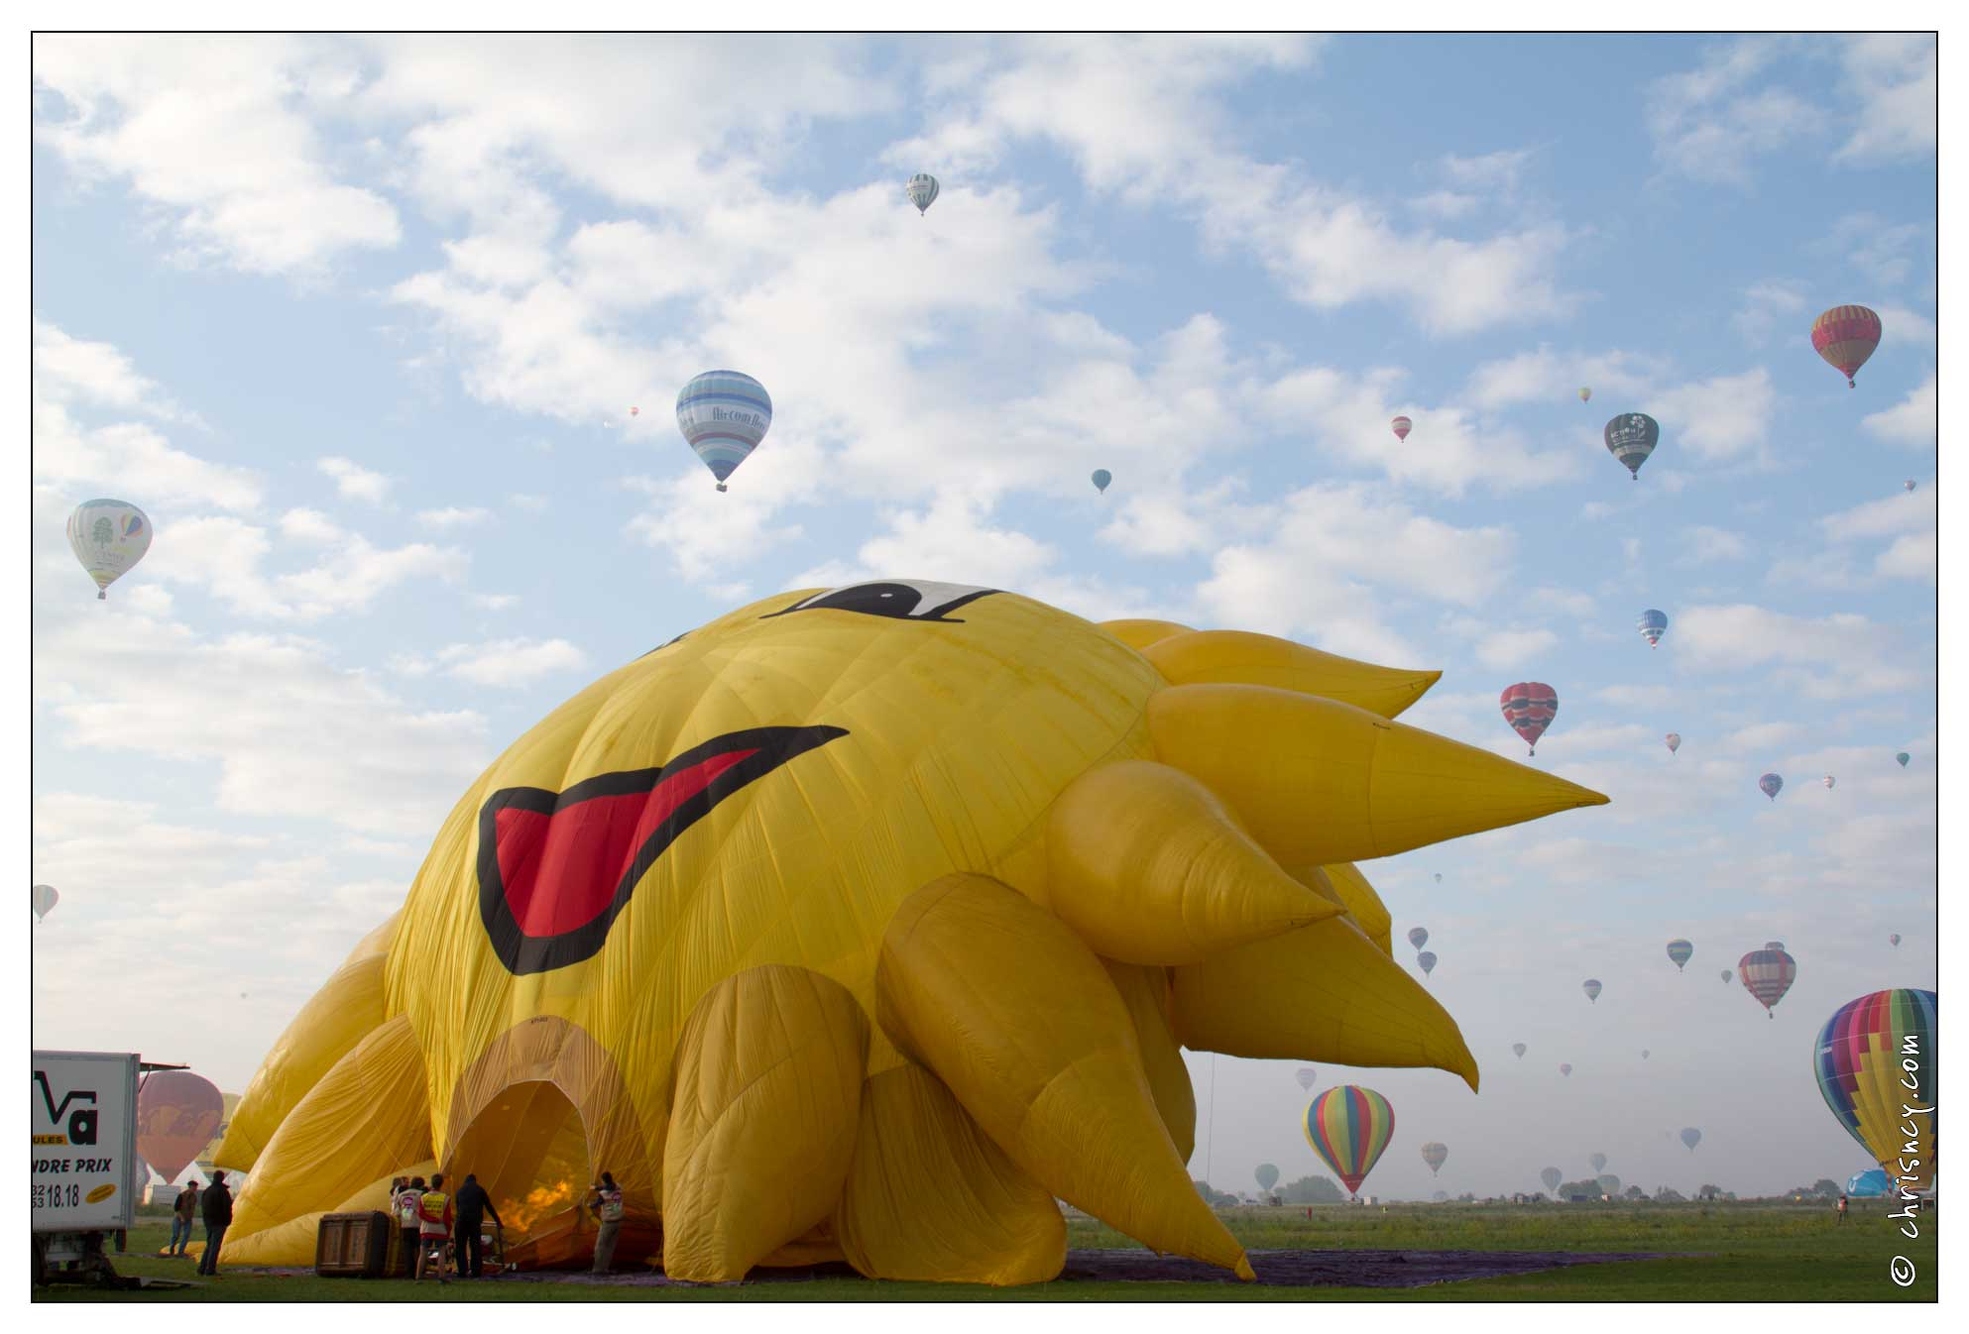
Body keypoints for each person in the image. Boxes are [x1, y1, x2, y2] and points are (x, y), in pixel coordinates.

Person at [453, 1173, 502, 1278]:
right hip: (474, 1222)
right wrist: (498, 1221)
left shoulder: (460, 1191)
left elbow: (458, 1208)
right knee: (475, 1246)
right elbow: (489, 1206)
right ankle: (476, 1271)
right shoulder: (479, 1190)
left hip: (461, 1221)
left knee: (460, 1246)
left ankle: (462, 1270)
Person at [415, 1172, 453, 1284]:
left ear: (431, 1183)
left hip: (426, 1228)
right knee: (441, 1252)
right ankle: (441, 1277)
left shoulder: (424, 1198)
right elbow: (447, 1218)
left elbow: (421, 1214)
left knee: (423, 1252)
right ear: (441, 1185)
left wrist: (431, 1219)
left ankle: (418, 1277)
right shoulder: (445, 1198)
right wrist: (447, 1229)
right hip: (440, 1229)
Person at [196, 1171, 233, 1276]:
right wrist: (228, 1220)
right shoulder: (222, 1191)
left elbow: (203, 1207)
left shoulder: (207, 1191)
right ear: (222, 1178)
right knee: (215, 1246)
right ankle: (210, 1269)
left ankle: (202, 1268)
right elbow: (227, 1207)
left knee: (209, 1245)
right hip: (219, 1222)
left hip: (209, 1222)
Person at [590, 1171, 624, 1275]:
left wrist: (589, 1205)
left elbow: (596, 1204)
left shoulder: (603, 1194)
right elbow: (608, 1187)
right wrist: (595, 1188)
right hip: (619, 1220)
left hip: (608, 1222)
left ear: (603, 1181)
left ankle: (598, 1269)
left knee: (601, 1246)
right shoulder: (618, 1187)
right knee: (610, 1246)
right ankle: (605, 1268)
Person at [395, 1176, 425, 1277]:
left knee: (407, 1249)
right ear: (421, 1185)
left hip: (405, 1224)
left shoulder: (401, 1195)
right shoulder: (421, 1194)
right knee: (420, 1249)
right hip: (418, 1224)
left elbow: (397, 1211)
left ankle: (409, 1272)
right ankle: (419, 1271)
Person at [170, 1179, 200, 1256]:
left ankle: (181, 1251)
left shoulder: (194, 1197)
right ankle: (172, 1248)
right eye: (194, 1187)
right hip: (178, 1218)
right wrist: (181, 1218)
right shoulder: (181, 1196)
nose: (195, 1189)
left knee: (186, 1235)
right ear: (190, 1187)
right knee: (176, 1235)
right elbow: (176, 1209)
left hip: (188, 1219)